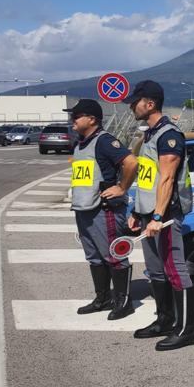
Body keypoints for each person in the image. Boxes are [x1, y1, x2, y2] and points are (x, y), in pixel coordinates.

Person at [124, 80, 194, 351]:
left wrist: (157, 216)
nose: (132, 105)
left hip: (165, 215)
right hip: (147, 214)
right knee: (156, 271)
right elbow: (148, 178)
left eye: (136, 101)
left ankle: (187, 328)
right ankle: (165, 320)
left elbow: (167, 179)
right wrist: (136, 210)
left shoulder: (169, 135)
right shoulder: (150, 134)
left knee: (175, 269)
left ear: (150, 103)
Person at [67, 99, 138, 320]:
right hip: (83, 208)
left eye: (76, 116)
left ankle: (123, 301)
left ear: (92, 119)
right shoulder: (80, 144)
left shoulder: (104, 141)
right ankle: (103, 298)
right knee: (94, 257)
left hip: (103, 210)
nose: (72, 121)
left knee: (113, 255)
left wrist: (121, 187)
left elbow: (131, 163)